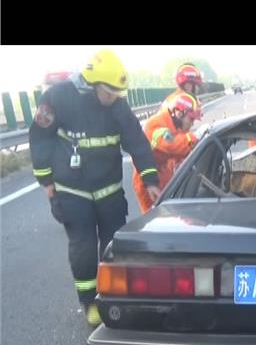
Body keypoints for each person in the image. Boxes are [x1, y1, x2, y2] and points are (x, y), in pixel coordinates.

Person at [29, 49, 160, 327]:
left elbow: (137, 141)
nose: (113, 98)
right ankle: (89, 301)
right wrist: (46, 181)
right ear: (92, 84)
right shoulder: (58, 98)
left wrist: (151, 180)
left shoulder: (117, 106)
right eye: (109, 92)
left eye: (117, 93)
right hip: (72, 190)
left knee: (113, 244)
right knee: (84, 247)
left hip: (109, 189)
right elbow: (40, 138)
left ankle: (111, 294)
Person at [133, 92, 202, 213]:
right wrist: (195, 138)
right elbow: (173, 146)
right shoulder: (156, 125)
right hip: (149, 181)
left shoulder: (174, 124)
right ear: (179, 113)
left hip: (164, 174)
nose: (192, 124)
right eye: (191, 119)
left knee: (171, 214)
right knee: (156, 217)